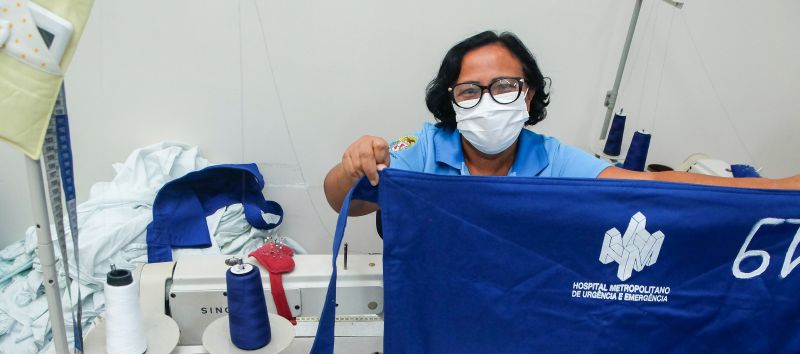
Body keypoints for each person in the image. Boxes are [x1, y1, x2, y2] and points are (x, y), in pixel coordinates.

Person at [323, 30, 800, 220]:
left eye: (504, 86)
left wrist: (782, 188)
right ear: (452, 102)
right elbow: (343, 200)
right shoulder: (424, 148)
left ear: (528, 94)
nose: (487, 100)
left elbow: (646, 186)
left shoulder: (550, 159)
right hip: (433, 306)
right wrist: (353, 164)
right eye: (470, 90)